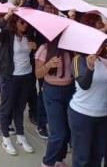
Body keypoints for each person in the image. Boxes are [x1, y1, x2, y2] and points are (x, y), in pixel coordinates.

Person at [0, 7, 36, 156]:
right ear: (15, 23)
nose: (25, 25)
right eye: (22, 22)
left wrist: (34, 47)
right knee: (6, 107)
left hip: (26, 76)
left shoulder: (29, 36)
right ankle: (5, 137)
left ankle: (20, 135)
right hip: (10, 77)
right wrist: (6, 16)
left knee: (20, 107)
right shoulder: (7, 36)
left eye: (26, 23)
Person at [68, 53, 107, 167]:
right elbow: (84, 84)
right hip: (82, 114)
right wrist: (90, 68)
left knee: (97, 156)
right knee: (82, 158)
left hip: (103, 114)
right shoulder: (78, 59)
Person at [35, 39, 74, 167]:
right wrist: (48, 65)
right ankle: (48, 161)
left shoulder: (71, 49)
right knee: (58, 132)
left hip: (70, 91)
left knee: (67, 129)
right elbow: (38, 74)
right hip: (52, 92)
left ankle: (59, 158)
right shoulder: (45, 49)